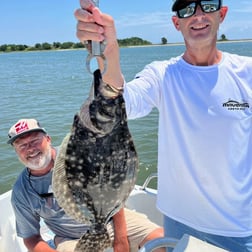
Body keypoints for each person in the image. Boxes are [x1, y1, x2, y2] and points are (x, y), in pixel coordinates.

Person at [74, 0, 252, 251]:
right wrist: (108, 52)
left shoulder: (247, 72)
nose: (198, 16)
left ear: (222, 14)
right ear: (176, 22)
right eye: (187, 9)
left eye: (208, 6)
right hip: (179, 221)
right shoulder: (162, 74)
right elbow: (121, 103)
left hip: (240, 227)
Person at [7, 118, 164, 252]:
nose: (30, 149)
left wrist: (120, 238)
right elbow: (31, 238)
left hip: (110, 221)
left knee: (160, 242)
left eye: (35, 141)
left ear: (48, 139)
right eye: (22, 145)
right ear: (16, 152)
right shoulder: (22, 192)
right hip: (71, 238)